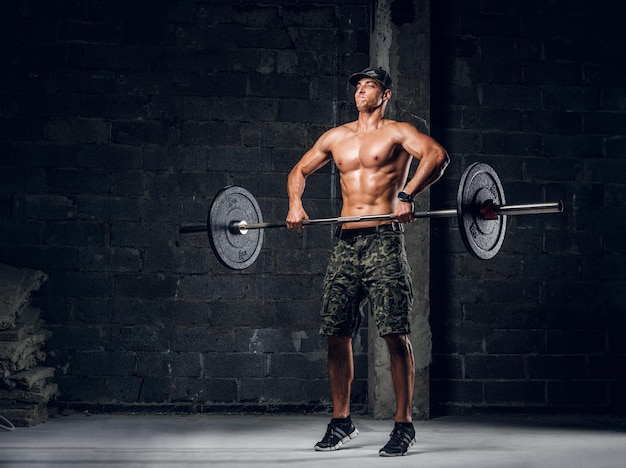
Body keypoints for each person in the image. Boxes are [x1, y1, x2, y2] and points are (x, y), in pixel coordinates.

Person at [286, 67, 449, 457]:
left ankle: (403, 424)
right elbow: (298, 170)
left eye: (370, 85)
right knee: (336, 332)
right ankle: (342, 421)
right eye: (358, 85)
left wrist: (407, 194)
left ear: (386, 94)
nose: (361, 90)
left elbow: (437, 155)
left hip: (383, 240)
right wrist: (295, 203)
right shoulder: (336, 137)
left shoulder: (397, 132)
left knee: (394, 332)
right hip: (345, 242)